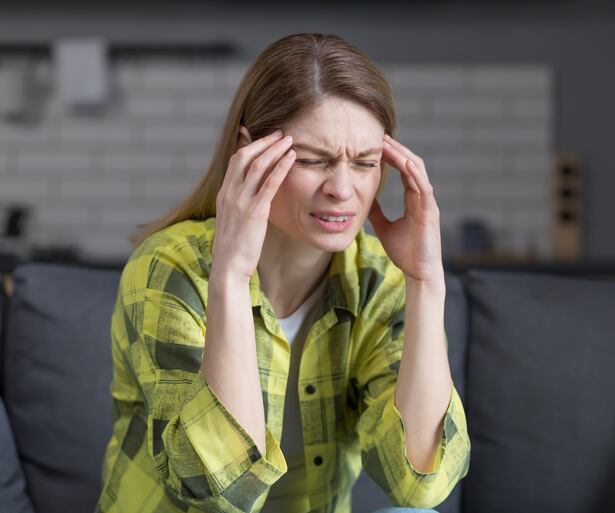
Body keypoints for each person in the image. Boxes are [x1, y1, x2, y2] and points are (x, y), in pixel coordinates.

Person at [94, 32, 470, 513]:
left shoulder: (378, 279)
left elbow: (422, 486)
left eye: (365, 163)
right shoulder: (169, 267)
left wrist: (425, 284)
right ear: (248, 152)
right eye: (314, 160)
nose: (342, 189)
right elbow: (219, 497)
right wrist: (230, 276)